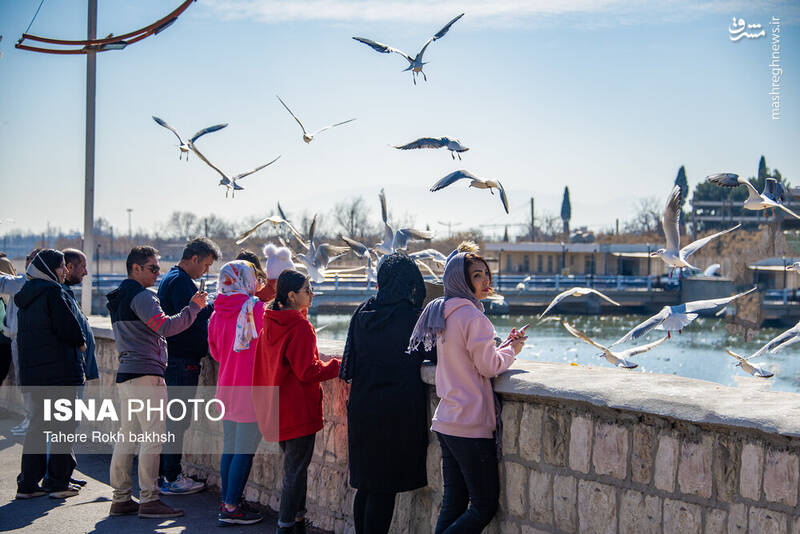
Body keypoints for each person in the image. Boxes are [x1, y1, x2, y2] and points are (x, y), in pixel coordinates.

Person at [408, 252, 527, 533]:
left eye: (487, 274)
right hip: (469, 425)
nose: (486, 280)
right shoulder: (474, 317)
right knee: (483, 506)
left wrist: (503, 345)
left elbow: (470, 358)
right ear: (460, 280)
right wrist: (513, 350)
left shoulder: (444, 312)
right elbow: (488, 367)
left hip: (448, 419)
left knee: (454, 502)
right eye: (477, 276)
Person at [106, 246, 207, 519]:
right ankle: (149, 499)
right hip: (146, 375)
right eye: (152, 268)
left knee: (127, 437)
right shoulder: (142, 297)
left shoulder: (119, 297)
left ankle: (121, 498)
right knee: (152, 438)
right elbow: (166, 327)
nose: (157, 273)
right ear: (135, 268)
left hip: (127, 374)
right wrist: (194, 308)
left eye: (158, 267)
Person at [340, 252, 436, 534]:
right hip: (394, 413)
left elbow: (351, 362)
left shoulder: (363, 311)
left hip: (363, 408)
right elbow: (433, 351)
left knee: (367, 486)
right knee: (383, 489)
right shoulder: (410, 317)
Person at [252, 269, 341, 534]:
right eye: (307, 290)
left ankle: (297, 519)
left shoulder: (271, 321)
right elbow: (308, 371)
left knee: (295, 468)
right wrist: (339, 364)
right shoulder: (300, 327)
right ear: (291, 295)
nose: (312, 294)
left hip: (276, 407)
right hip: (298, 410)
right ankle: (285, 524)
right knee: (294, 470)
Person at [14, 249, 86, 500]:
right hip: (60, 373)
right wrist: (81, 343)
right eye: (62, 266)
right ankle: (57, 482)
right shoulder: (53, 292)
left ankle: (28, 484)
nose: (65, 271)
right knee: (63, 428)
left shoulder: (26, 296)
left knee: (37, 428)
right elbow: (69, 328)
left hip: (35, 376)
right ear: (49, 269)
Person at [157, 237, 220, 495]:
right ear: (194, 258)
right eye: (205, 265)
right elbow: (195, 315)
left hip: (174, 358)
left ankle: (165, 474)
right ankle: (170, 476)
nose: (205, 271)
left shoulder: (171, 278)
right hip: (182, 360)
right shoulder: (182, 282)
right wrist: (216, 304)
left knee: (173, 420)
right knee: (177, 421)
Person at [208, 260, 266, 526]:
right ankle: (231, 507)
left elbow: (216, 353)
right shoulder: (256, 309)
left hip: (226, 389)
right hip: (250, 391)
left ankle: (227, 501)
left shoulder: (216, 313)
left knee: (230, 447)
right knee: (244, 449)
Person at [1, 248, 42, 435]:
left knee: (27, 382)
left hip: (25, 339)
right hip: (24, 338)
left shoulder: (27, 282)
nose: (27, 262)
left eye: (31, 259)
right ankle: (31, 419)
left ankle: (31, 420)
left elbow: (3, 283)